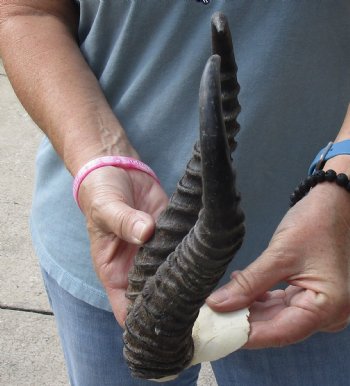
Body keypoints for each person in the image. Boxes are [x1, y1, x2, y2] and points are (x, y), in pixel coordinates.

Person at [1, 1, 350, 385]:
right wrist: (98, 155)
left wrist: (344, 179)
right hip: (117, 250)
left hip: (323, 262)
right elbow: (27, 11)